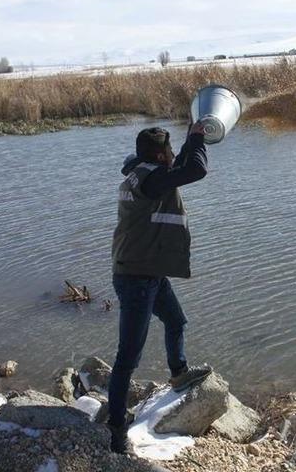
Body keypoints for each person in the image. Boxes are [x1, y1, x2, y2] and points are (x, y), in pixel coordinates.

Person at [107, 122, 213, 454]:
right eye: (168, 150)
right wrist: (196, 138)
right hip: (137, 278)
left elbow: (179, 166)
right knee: (127, 358)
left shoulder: (142, 173)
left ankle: (179, 374)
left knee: (176, 321)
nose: (171, 155)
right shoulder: (151, 180)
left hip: (145, 270)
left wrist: (188, 139)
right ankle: (116, 431)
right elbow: (195, 168)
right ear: (158, 155)